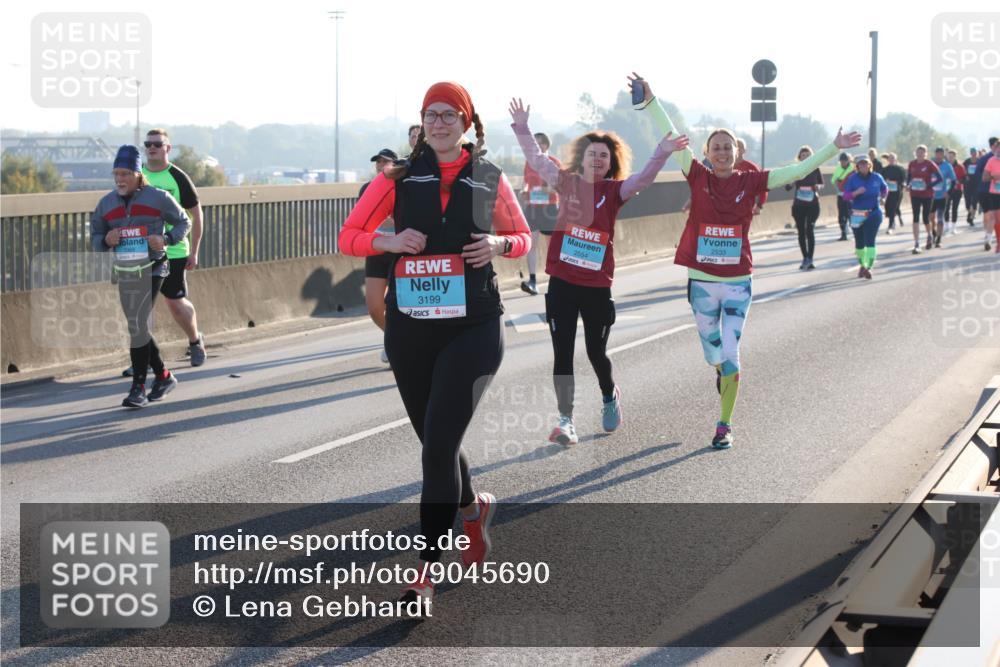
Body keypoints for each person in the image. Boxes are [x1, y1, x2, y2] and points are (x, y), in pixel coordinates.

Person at [338, 82, 531, 613]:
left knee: (436, 448)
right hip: (413, 327)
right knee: (435, 439)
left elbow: (523, 238)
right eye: (431, 114)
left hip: (474, 325)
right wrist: (389, 241)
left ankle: (424, 571)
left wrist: (497, 244)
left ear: (467, 123)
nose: (440, 122)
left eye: (450, 114)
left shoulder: (489, 177)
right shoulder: (396, 177)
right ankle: (473, 510)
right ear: (422, 123)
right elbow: (349, 236)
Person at [634, 74, 860, 449]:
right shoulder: (697, 175)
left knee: (732, 355)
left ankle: (724, 424)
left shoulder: (752, 182)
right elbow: (672, 134)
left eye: (727, 147)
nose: (722, 152)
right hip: (702, 283)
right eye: (715, 148)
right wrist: (652, 101)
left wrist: (832, 147)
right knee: (714, 356)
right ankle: (721, 373)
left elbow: (798, 172)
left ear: (737, 154)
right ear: (707, 154)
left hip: (738, 282)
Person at [509, 96, 687, 445]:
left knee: (595, 351)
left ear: (610, 163)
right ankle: (565, 420)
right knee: (562, 352)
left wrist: (663, 150)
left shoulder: (615, 191)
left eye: (603, 155)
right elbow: (536, 158)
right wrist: (522, 128)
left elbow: (646, 178)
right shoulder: (566, 182)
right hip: (562, 282)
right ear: (583, 158)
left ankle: (609, 395)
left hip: (595, 287)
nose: (597, 159)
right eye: (592, 154)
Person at [91, 146, 190, 408]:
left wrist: (166, 239)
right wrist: (106, 239)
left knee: (137, 325)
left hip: (154, 268)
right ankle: (163, 376)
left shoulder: (157, 197)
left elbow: (184, 222)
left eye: (125, 173)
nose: (119, 179)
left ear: (138, 173)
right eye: (116, 174)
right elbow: (95, 240)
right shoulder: (106, 203)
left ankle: (138, 388)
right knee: (138, 326)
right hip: (125, 271)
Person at [121, 129, 206, 378]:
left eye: (157, 144)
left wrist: (195, 251)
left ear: (168, 148)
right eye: (148, 144)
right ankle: (143, 359)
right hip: (140, 250)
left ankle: (194, 341)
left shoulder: (177, 177)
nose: (152, 148)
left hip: (174, 249)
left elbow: (196, 215)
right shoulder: (138, 176)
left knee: (175, 303)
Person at [359, 148, 399, 363]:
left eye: (386, 162)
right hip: (375, 248)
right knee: (374, 306)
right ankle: (392, 338)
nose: (381, 166)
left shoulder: (403, 186)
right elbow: (364, 219)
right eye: (378, 163)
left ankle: (397, 344)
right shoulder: (368, 188)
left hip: (399, 250)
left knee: (395, 304)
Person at [519, 131, 563, 296]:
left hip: (550, 209)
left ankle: (557, 280)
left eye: (536, 144)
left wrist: (540, 191)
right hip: (532, 208)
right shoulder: (529, 163)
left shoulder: (554, 162)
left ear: (544, 145)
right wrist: (524, 191)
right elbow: (526, 182)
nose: (532, 147)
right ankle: (532, 281)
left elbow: (560, 186)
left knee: (552, 247)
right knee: (531, 245)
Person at [842, 155, 888, 279]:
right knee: (859, 244)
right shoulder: (852, 179)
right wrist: (856, 192)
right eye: (860, 164)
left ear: (869, 165)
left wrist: (883, 198)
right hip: (857, 213)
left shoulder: (877, 177)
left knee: (870, 241)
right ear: (857, 166)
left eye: (865, 163)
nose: (863, 166)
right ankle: (863, 264)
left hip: (873, 212)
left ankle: (868, 267)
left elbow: (885, 188)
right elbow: (845, 196)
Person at [784, 145, 823, 269]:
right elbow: (787, 187)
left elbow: (821, 183)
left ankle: (810, 258)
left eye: (808, 155)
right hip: (799, 205)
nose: (805, 157)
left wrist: (818, 187)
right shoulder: (796, 169)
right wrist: (792, 181)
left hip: (813, 204)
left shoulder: (815, 169)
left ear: (812, 157)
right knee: (801, 231)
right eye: (803, 155)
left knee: (809, 229)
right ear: (799, 157)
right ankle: (805, 257)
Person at [906, 145, 943, 254]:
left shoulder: (930, 164)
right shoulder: (912, 164)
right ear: (915, 153)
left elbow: (940, 178)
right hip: (915, 194)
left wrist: (929, 185)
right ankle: (916, 243)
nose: (920, 154)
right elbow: (909, 177)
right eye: (918, 152)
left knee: (926, 218)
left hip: (927, 195)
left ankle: (930, 235)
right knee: (915, 217)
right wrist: (908, 184)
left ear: (926, 153)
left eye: (922, 152)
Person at [974, 137, 999, 251]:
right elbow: (980, 175)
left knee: (990, 216)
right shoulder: (988, 159)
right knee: (992, 216)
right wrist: (993, 177)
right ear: (992, 146)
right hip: (989, 191)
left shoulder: (985, 158)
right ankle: (990, 238)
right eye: (996, 146)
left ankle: (988, 237)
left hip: (987, 191)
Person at [930, 147, 956, 247]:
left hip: (942, 195)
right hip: (931, 196)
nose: (939, 155)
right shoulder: (930, 164)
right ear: (935, 154)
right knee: (931, 218)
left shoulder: (947, 166)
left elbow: (953, 181)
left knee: (940, 218)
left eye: (941, 153)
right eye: (937, 153)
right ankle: (933, 232)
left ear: (943, 154)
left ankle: (939, 240)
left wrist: (948, 192)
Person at [734, 138, 767, 215]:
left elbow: (763, 187)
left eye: (740, 147)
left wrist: (759, 205)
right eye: (735, 147)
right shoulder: (724, 167)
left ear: (744, 150)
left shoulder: (752, 168)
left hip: (746, 208)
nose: (737, 149)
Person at [981, 139, 1000, 253]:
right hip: (994, 193)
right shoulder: (991, 161)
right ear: (996, 148)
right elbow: (984, 178)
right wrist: (994, 177)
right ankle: (998, 243)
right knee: (995, 218)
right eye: (998, 147)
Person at [881, 153, 907, 233]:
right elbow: (882, 180)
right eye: (890, 158)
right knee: (888, 207)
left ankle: (890, 225)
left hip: (897, 191)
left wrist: (897, 182)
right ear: (888, 160)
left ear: (895, 160)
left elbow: (904, 180)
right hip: (887, 192)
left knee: (893, 207)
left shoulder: (900, 169)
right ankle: (896, 218)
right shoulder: (885, 170)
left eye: (893, 158)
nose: (891, 160)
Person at [832, 152, 855, 241]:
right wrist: (837, 182)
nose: (842, 163)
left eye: (844, 161)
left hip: (850, 195)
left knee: (849, 213)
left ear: (848, 160)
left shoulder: (853, 169)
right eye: (841, 161)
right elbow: (833, 180)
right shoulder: (838, 169)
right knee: (841, 215)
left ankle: (853, 230)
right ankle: (843, 233)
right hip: (840, 195)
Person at [945, 149, 966, 235]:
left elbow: (965, 178)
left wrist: (959, 181)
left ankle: (953, 227)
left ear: (955, 157)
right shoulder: (945, 166)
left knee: (954, 208)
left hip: (957, 190)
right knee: (946, 208)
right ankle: (946, 226)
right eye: (949, 156)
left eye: (952, 156)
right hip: (947, 190)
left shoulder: (960, 167)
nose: (950, 158)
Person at [963, 146, 980, 225]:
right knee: (967, 203)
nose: (973, 154)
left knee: (974, 202)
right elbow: (962, 171)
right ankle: (970, 214)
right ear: (970, 153)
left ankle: (971, 218)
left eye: (975, 153)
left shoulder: (980, 161)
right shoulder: (966, 162)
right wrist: (965, 175)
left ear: (977, 153)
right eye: (972, 152)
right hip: (968, 184)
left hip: (977, 184)